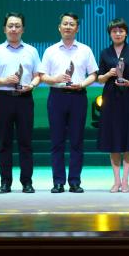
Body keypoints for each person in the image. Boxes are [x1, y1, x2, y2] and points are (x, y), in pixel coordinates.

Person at [39, 13, 98, 193]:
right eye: (65, 24)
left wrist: (82, 84)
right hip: (57, 97)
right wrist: (55, 79)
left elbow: (93, 74)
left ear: (77, 28)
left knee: (77, 141)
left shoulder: (85, 50)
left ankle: (74, 181)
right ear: (59, 27)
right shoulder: (50, 51)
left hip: (78, 96)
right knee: (56, 141)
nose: (68, 27)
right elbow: (42, 76)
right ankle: (58, 182)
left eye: (72, 24)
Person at [0, 12, 42, 194]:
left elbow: (37, 76)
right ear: (4, 29)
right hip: (3, 99)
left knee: (26, 142)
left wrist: (31, 85)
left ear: (23, 29)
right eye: (10, 26)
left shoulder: (31, 51)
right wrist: (4, 80)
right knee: (4, 142)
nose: (14, 29)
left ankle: (27, 182)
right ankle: (5, 182)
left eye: (17, 26)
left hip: (25, 98)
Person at [95, 18, 129, 193]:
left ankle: (125, 181)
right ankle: (116, 181)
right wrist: (108, 74)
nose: (117, 34)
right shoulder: (105, 53)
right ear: (110, 34)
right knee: (113, 138)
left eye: (121, 31)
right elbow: (99, 78)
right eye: (114, 31)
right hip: (111, 97)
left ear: (126, 33)